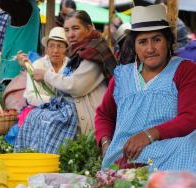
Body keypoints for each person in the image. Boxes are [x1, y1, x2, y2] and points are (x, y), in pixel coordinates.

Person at [95, 5, 196, 172]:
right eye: (142, 42)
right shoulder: (121, 77)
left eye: (157, 39)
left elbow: (190, 117)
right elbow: (104, 115)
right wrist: (106, 144)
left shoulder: (184, 71)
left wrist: (149, 135)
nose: (150, 49)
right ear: (134, 45)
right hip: (126, 157)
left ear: (168, 41)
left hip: (172, 153)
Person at [14, 10, 117, 153]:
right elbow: (35, 95)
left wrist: (46, 76)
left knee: (49, 122)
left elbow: (75, 86)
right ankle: (33, 160)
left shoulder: (94, 52)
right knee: (34, 116)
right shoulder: (79, 52)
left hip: (90, 114)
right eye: (67, 30)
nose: (71, 35)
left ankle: (49, 162)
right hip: (73, 107)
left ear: (89, 29)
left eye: (76, 29)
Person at [17, 27, 69, 107]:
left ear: (66, 49)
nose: (55, 50)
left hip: (67, 108)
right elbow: (31, 97)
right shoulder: (38, 65)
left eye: (60, 46)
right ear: (46, 49)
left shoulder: (71, 65)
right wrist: (55, 101)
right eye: (51, 46)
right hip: (42, 108)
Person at [0, 0, 42, 84]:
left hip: (15, 73)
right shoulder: (31, 7)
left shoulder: (25, 7)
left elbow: (3, 2)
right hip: (23, 70)